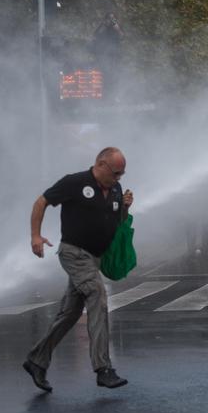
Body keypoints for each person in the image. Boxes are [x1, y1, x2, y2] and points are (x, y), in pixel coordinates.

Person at [23, 147, 133, 392]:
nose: (119, 179)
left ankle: (36, 360)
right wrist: (35, 236)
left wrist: (124, 207)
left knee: (70, 314)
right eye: (116, 173)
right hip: (74, 254)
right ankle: (103, 368)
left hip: (93, 258)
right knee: (97, 294)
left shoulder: (115, 189)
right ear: (101, 164)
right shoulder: (75, 182)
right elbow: (41, 202)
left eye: (122, 174)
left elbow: (118, 223)